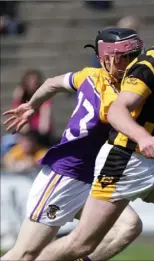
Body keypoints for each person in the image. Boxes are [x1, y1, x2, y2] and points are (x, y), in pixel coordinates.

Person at [2, 28, 144, 261]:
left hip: (94, 177)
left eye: (135, 55)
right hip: (67, 175)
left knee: (128, 227)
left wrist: (32, 105)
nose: (132, 62)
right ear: (106, 58)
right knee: (24, 254)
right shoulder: (113, 94)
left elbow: (51, 83)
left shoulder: (88, 74)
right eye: (124, 57)